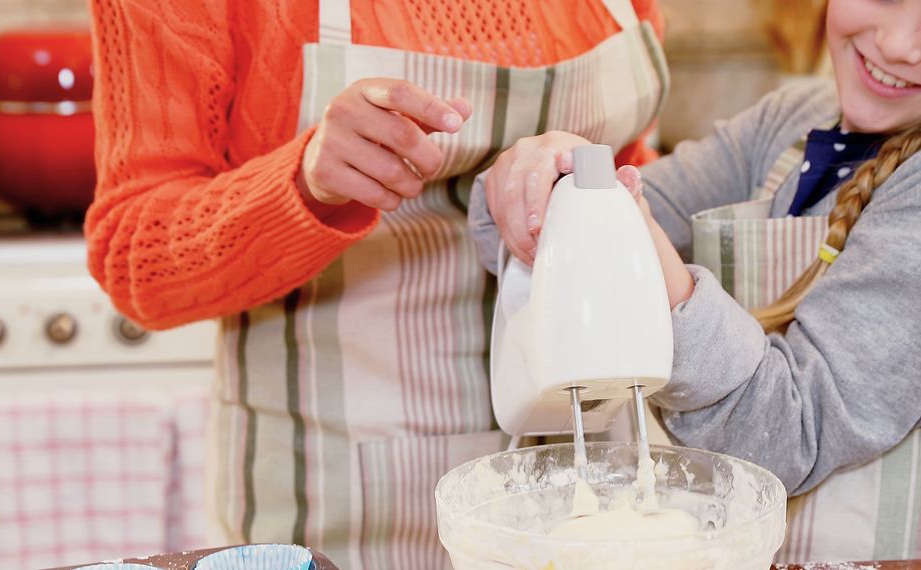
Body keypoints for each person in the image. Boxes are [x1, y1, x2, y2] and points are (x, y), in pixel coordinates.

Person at [84, 0, 667, 568]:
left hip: (596, 480)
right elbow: (134, 257)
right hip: (337, 502)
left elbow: (639, 179)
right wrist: (307, 182)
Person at [471, 0, 921, 562]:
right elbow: (559, 248)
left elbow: (788, 438)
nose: (898, 44)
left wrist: (651, 263)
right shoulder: (790, 122)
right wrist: (541, 184)